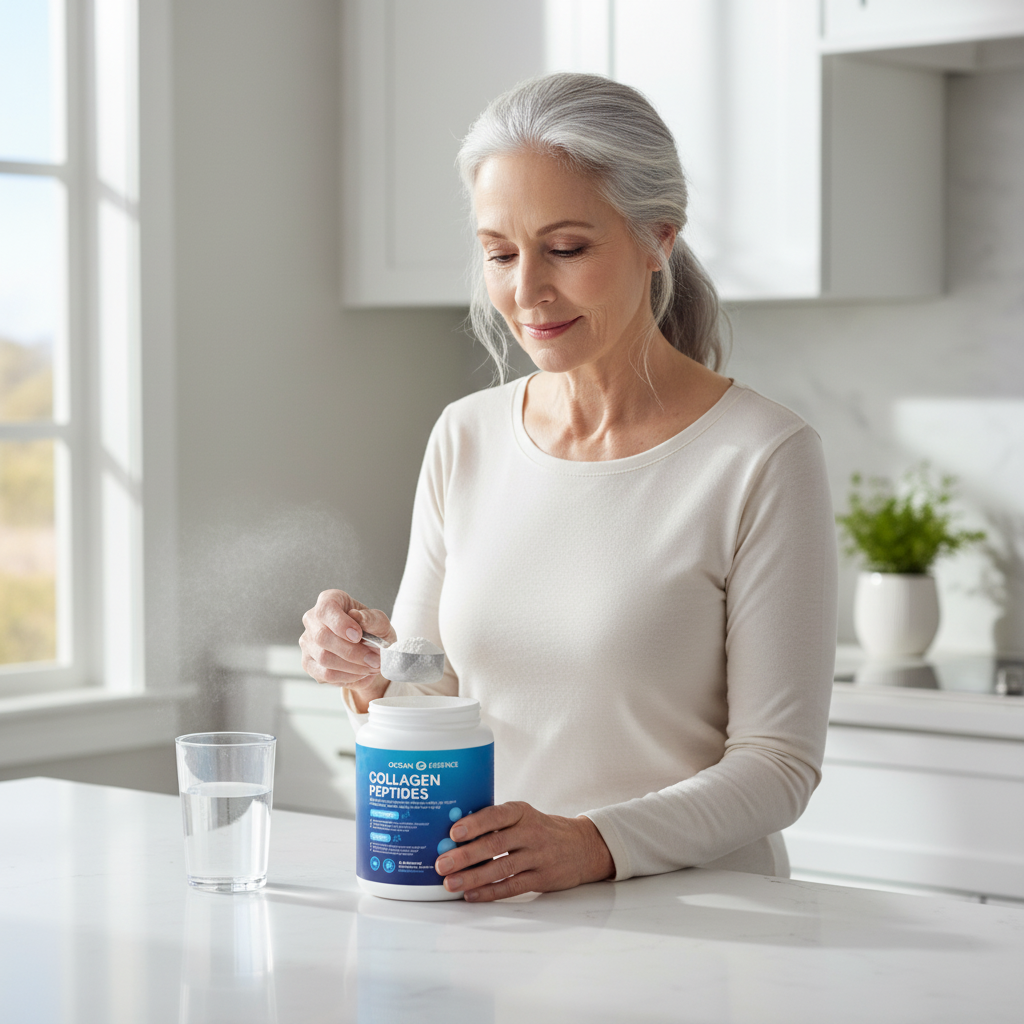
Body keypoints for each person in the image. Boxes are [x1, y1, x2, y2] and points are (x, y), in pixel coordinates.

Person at [300, 73, 838, 903]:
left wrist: (591, 844)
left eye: (567, 248)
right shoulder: (465, 435)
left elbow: (778, 767)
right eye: (500, 253)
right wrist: (366, 675)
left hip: (704, 932)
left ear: (658, 237)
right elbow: (428, 704)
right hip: (503, 923)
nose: (526, 291)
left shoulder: (761, 456)